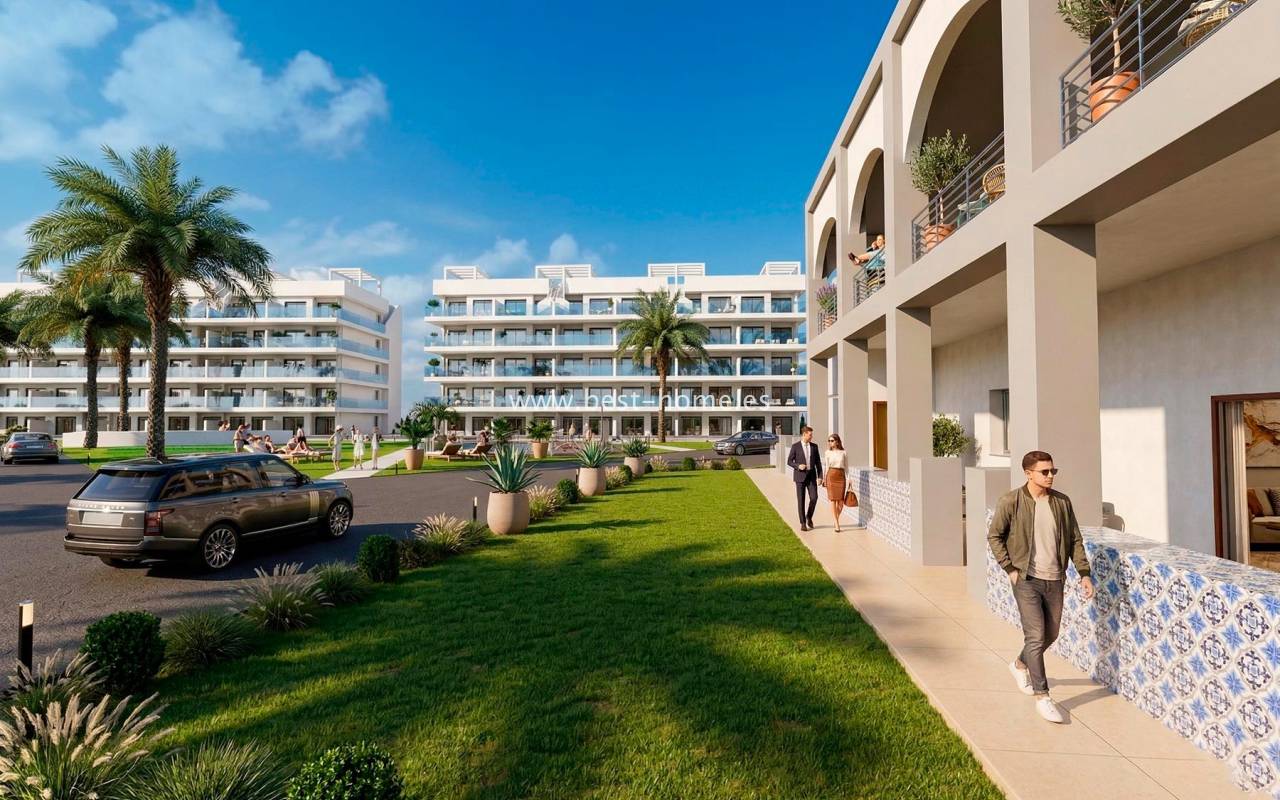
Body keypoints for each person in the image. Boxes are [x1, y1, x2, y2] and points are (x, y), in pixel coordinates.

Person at [988, 450, 1095, 724]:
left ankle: (1019, 664)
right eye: (1044, 472)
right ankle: (1043, 696)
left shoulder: (1061, 502)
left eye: (1052, 471)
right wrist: (1010, 569)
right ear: (1028, 473)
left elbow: (1075, 540)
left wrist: (1084, 573)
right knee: (1035, 635)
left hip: (1055, 579)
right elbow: (994, 536)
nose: (1050, 476)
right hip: (1026, 579)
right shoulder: (1011, 501)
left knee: (1051, 633)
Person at [786, 426, 823, 531]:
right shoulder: (795, 446)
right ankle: (803, 523)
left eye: (811, 435)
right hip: (800, 477)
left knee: (814, 498)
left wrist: (820, 476)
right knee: (801, 501)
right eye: (810, 435)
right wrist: (798, 466)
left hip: (811, 476)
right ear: (804, 434)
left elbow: (818, 463)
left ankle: (809, 517)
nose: (811, 437)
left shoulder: (814, 447)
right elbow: (789, 461)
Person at [824, 433, 850, 533]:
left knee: (841, 502)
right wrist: (824, 479)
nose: (830, 442)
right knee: (833, 500)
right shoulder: (827, 453)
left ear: (837, 442)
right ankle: (836, 523)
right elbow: (826, 466)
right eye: (829, 441)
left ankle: (836, 519)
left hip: (841, 476)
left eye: (832, 441)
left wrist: (849, 478)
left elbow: (846, 467)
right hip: (831, 476)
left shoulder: (844, 452)